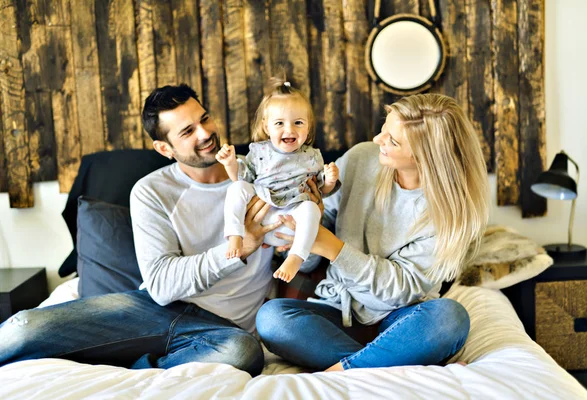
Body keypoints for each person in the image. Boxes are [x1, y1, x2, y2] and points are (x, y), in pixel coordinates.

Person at [0, 84, 280, 377]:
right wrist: (237, 250)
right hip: (155, 311)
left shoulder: (265, 175)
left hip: (223, 330)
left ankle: (137, 370)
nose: (205, 133)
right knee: (25, 329)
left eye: (204, 118)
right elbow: (161, 285)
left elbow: (305, 257)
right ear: (164, 149)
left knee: (243, 353)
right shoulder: (151, 191)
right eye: (187, 132)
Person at [256, 93, 490, 371]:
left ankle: (346, 369)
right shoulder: (361, 158)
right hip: (337, 312)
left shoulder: (448, 213)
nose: (378, 140)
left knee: (450, 319)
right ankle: (396, 364)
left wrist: (334, 249)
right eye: (384, 129)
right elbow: (310, 259)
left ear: (424, 156)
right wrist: (299, 241)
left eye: (392, 141)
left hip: (403, 319)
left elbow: (401, 290)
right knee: (272, 319)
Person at [216, 78, 339, 283]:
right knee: (237, 187)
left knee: (311, 208)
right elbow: (242, 177)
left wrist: (330, 180)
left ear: (308, 126)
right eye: (279, 123)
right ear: (266, 126)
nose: (289, 130)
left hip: (290, 221)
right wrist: (230, 163)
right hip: (261, 220)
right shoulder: (258, 151)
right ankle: (235, 236)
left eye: (298, 123)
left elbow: (321, 190)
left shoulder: (312, 156)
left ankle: (295, 257)